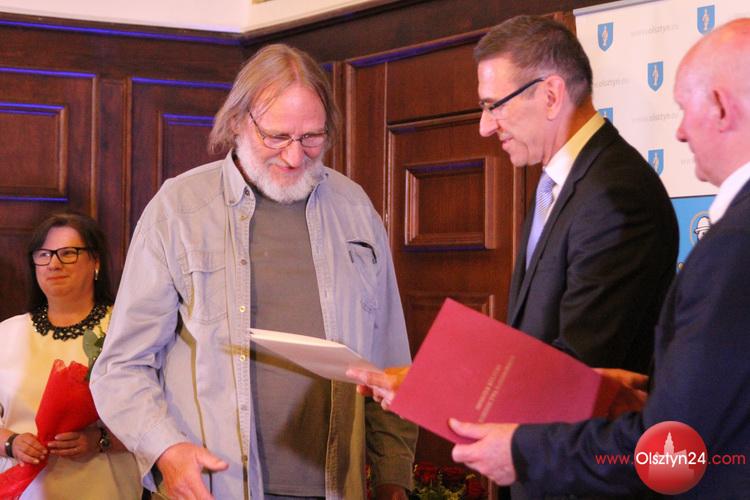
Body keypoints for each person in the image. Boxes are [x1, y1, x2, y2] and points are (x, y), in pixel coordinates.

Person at [90, 44, 417, 500]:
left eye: (312, 137)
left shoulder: (355, 209)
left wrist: (393, 474)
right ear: (238, 122)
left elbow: (389, 360)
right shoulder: (178, 209)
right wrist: (166, 449)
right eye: (277, 137)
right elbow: (121, 367)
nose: (295, 156)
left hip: (334, 488)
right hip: (211, 488)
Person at [442, 18, 750, 498]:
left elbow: (593, 371)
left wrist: (444, 390)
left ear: (550, 94)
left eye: (493, 105)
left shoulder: (616, 193)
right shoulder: (559, 184)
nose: (485, 126)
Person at [0, 212, 141, 499]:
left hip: (104, 488)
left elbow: (165, 418)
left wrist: (100, 440)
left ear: (95, 261)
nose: (54, 264)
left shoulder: (126, 329)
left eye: (68, 253)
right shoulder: (7, 333)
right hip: (24, 490)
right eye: (44, 255)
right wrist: (11, 443)